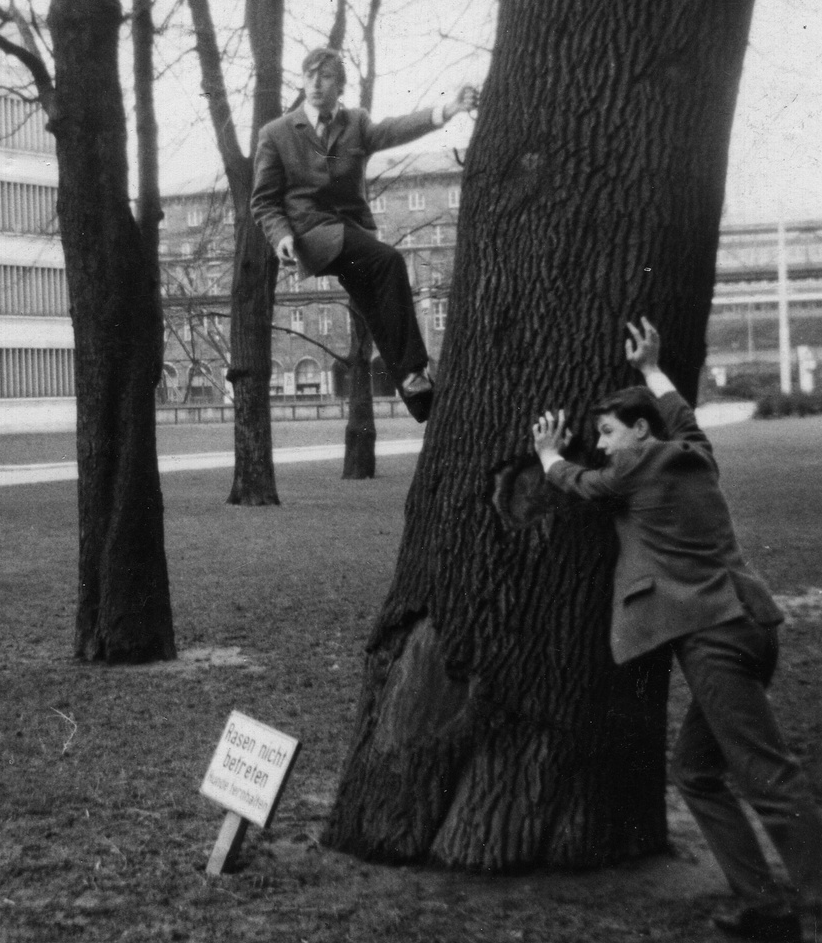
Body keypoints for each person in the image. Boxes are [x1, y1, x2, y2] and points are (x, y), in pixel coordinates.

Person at [531, 318, 822, 943]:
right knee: (696, 771)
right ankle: (766, 909)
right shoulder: (695, 452)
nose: (603, 445)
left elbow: (589, 484)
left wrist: (550, 456)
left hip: (713, 634)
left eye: (608, 432)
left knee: (767, 773)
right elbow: (683, 416)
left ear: (639, 431)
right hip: (747, 625)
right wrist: (653, 367)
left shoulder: (638, 465)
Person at [251, 46, 478, 422]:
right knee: (389, 261)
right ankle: (418, 370)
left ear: (339, 85)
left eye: (325, 77)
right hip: (312, 232)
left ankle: (420, 401)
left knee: (377, 307)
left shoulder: (355, 122)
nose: (316, 84)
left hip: (353, 232)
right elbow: (263, 201)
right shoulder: (276, 134)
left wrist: (447, 111)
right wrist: (281, 237)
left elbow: (393, 129)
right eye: (309, 76)